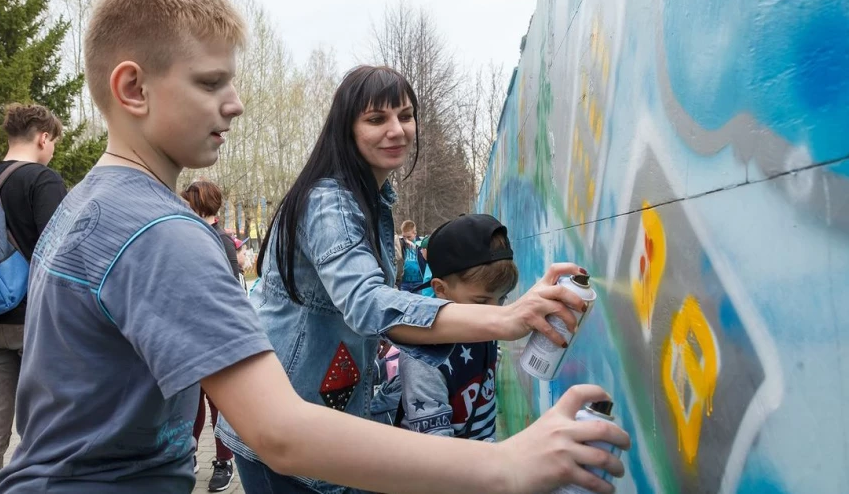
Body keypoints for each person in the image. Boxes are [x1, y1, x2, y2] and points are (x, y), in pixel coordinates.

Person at [0, 0, 629, 494]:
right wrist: (506, 464)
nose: (236, 103)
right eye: (212, 82)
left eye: (405, 116)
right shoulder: (165, 233)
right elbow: (281, 429)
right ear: (133, 87)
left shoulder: (90, 203)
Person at [216, 64, 624, 494]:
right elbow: (368, 304)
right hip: (285, 434)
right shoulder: (329, 202)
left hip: (329, 423)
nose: (397, 130)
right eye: (376, 119)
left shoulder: (371, 201)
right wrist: (507, 321)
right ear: (346, 129)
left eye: (405, 116)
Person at [0, 103, 68, 494]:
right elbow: (58, 255)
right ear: (43, 137)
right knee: (43, 427)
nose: (52, 148)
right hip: (34, 323)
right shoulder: (43, 180)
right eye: (53, 141)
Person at [398, 214, 517, 441]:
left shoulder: (484, 325)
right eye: (481, 302)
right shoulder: (423, 357)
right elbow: (436, 452)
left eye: (502, 299)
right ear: (440, 289)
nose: (496, 313)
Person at [181, 179, 238, 492]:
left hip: (216, 337)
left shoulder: (221, 240)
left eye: (189, 203)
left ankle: (224, 460)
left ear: (201, 206)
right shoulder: (186, 235)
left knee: (219, 403)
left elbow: (229, 288)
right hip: (188, 335)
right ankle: (188, 455)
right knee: (190, 404)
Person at [395, 220, 423, 291]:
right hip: (404, 282)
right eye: (404, 237)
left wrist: (414, 246)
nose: (406, 239)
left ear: (415, 233)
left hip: (419, 282)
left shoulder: (421, 243)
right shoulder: (400, 243)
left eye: (409, 237)